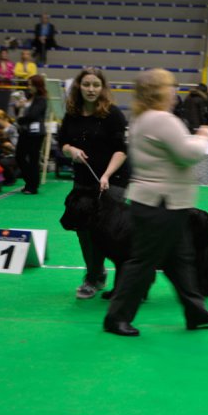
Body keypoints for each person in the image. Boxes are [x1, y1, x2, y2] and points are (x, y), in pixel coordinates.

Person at [103, 68, 208, 337]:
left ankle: (195, 311)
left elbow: (171, 150)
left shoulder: (142, 118)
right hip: (162, 204)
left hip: (154, 202)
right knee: (143, 263)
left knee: (180, 260)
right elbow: (187, 154)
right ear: (158, 91)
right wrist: (203, 137)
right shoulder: (163, 119)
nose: (174, 92)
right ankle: (116, 318)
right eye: (169, 87)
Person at [59, 67, 130, 299]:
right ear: (79, 86)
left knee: (105, 232)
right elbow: (63, 143)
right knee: (83, 231)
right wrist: (71, 150)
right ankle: (96, 275)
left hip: (112, 180)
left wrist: (107, 175)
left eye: (96, 85)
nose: (91, 89)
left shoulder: (113, 115)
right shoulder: (72, 114)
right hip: (83, 181)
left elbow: (121, 151)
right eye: (87, 84)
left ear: (102, 88)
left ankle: (100, 279)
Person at [14, 74, 48, 195]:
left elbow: (33, 115)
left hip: (36, 133)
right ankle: (30, 181)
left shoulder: (42, 99)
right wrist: (17, 107)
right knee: (19, 156)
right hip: (24, 131)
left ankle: (32, 185)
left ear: (36, 86)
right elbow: (20, 112)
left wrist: (20, 120)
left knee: (33, 159)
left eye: (30, 84)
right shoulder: (28, 97)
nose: (28, 87)